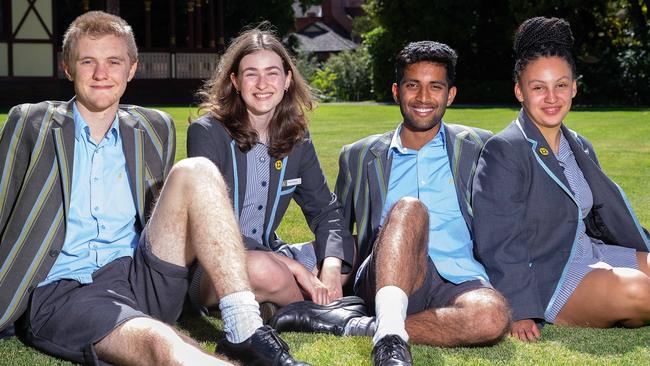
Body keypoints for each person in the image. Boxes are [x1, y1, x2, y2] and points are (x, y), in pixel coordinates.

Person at [0, 11, 308, 365]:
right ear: (68, 68)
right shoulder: (32, 123)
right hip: (69, 289)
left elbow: (162, 215)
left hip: (141, 274)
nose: (102, 74)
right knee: (160, 344)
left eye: (114, 62)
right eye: (88, 62)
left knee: (197, 169)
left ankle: (244, 329)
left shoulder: (154, 127)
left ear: (131, 69)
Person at [269, 41, 511, 365]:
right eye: (413, 86)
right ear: (397, 91)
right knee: (410, 209)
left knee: (493, 317)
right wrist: (316, 271)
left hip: (458, 277)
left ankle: (364, 327)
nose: (423, 98)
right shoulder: (359, 155)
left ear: (450, 94)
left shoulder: (480, 147)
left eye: (435, 87)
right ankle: (389, 340)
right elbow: (337, 227)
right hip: (385, 275)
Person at [472, 16, 650, 342]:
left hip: (592, 254)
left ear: (574, 87)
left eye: (561, 85)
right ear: (519, 91)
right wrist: (520, 307)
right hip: (551, 276)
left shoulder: (579, 144)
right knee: (640, 291)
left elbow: (596, 216)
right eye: (538, 87)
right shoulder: (505, 149)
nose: (552, 97)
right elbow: (498, 240)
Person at [186, 27, 360, 311]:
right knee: (267, 270)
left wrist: (329, 266)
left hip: (271, 253)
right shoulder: (207, 132)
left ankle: (275, 301)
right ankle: (315, 311)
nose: (262, 83)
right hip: (213, 264)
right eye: (251, 73)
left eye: (272, 73)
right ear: (236, 81)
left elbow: (325, 211)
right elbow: (210, 226)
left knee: (354, 246)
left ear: (288, 79)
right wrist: (291, 265)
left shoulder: (296, 137)